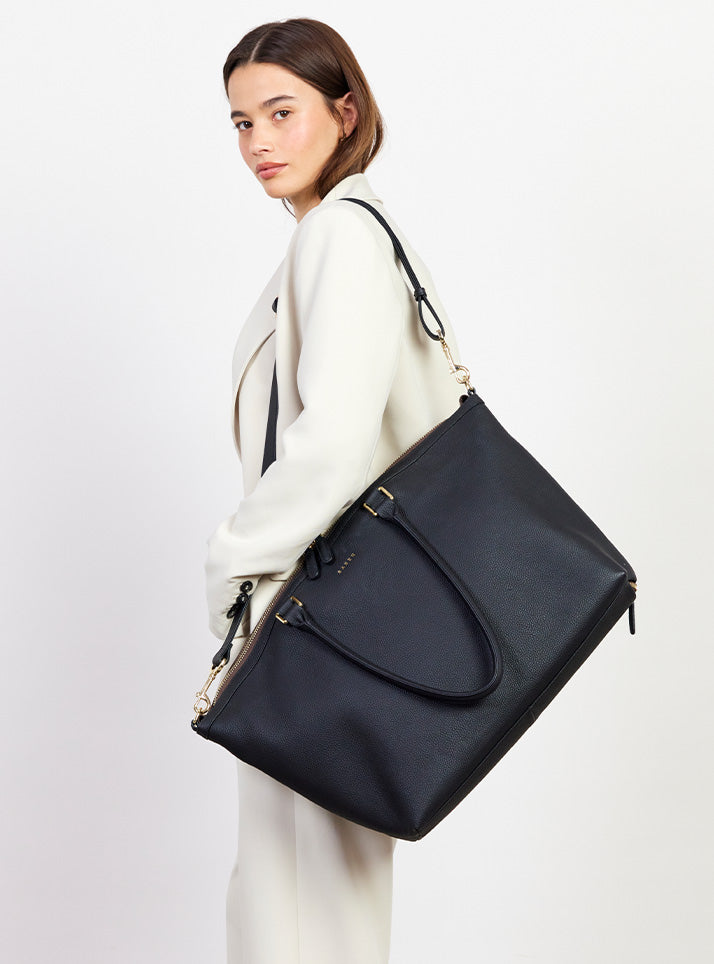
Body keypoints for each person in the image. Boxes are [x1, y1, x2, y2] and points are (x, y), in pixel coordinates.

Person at [204, 17, 466, 964]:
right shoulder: (348, 232)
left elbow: (333, 444)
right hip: (344, 614)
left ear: (344, 112)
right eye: (242, 122)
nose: (259, 142)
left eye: (282, 112)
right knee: (313, 887)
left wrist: (232, 561)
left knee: (304, 895)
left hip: (321, 616)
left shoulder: (340, 235)